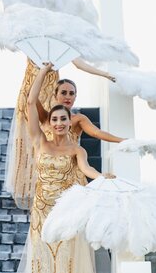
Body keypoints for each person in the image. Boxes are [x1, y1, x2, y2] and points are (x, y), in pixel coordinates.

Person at [7, 62, 113, 273]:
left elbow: (87, 171)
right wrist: (43, 70)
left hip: (66, 213)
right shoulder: (39, 141)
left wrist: (104, 177)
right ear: (50, 122)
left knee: (65, 268)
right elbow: (30, 101)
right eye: (54, 120)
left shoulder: (76, 148)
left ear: (69, 122)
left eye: (63, 120)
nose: (58, 123)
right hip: (41, 215)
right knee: (43, 266)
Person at [6, 57, 121, 208]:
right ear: (55, 95)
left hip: (70, 172)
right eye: (64, 93)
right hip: (49, 175)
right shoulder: (46, 119)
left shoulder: (78, 120)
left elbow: (96, 133)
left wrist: (122, 141)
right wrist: (40, 72)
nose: (67, 97)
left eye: (71, 93)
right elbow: (30, 100)